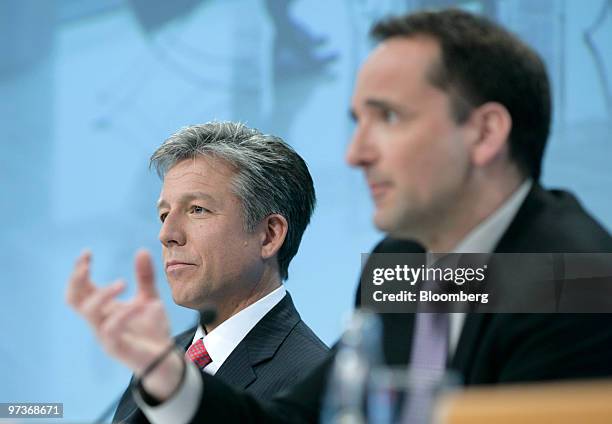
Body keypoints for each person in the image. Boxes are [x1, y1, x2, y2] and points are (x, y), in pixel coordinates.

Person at [67, 9, 612, 423]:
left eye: (390, 117)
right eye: (356, 121)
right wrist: (166, 373)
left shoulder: (579, 280)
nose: (356, 153)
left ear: (485, 133)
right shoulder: (401, 264)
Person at [67, 122, 328, 424]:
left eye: (197, 210)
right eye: (164, 215)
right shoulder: (162, 358)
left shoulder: (312, 381)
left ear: (269, 235)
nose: (167, 234)